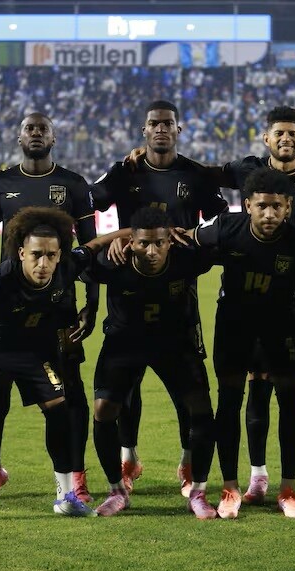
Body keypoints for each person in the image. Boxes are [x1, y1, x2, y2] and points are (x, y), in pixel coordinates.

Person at [124, 106, 295, 502]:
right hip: (258, 300)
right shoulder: (249, 171)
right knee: (257, 384)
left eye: (292, 133)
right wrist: (151, 157)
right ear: (267, 138)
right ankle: (257, 475)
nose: (286, 139)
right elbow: (206, 174)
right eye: (279, 133)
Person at [0, 207, 125, 529]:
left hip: (30, 351)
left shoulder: (67, 267)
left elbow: (94, 246)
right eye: (36, 255)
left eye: (51, 255)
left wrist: (132, 233)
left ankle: (66, 496)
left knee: (59, 409)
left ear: (60, 255)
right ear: (22, 253)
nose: (43, 263)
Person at [92, 100, 228, 498]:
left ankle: (188, 459)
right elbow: (90, 200)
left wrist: (194, 237)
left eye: (168, 123)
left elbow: (221, 216)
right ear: (144, 130)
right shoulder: (126, 171)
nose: (161, 129)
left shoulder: (194, 174)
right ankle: (128, 456)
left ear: (178, 129)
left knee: (188, 390)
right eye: (154, 123)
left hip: (178, 287)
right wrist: (118, 239)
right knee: (126, 385)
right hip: (128, 282)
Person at [0, 112, 99, 504]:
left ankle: (76, 474)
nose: (36, 133)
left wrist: (92, 303)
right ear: (19, 136)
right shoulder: (1, 183)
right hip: (7, 307)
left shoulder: (73, 184)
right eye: (30, 128)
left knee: (70, 391)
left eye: (43, 129)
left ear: (53, 138)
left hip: (60, 306)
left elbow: (90, 247)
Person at [182, 168, 295, 519]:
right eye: (261, 206)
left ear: (288, 207)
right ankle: (230, 488)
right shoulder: (226, 227)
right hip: (234, 325)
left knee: (290, 400)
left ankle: (288, 489)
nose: (269, 214)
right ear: (247, 206)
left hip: (281, 326)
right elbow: (186, 239)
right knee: (229, 402)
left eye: (276, 206)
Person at [85, 208, 219, 519]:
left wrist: (185, 234)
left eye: (159, 243)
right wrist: (119, 236)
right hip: (124, 343)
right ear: (131, 243)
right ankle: (117, 491)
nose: (152, 251)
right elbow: (78, 257)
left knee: (200, 408)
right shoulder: (112, 261)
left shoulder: (186, 258)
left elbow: (220, 239)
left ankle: (198, 492)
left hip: (174, 344)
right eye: (143, 243)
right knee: (103, 410)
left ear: (169, 242)